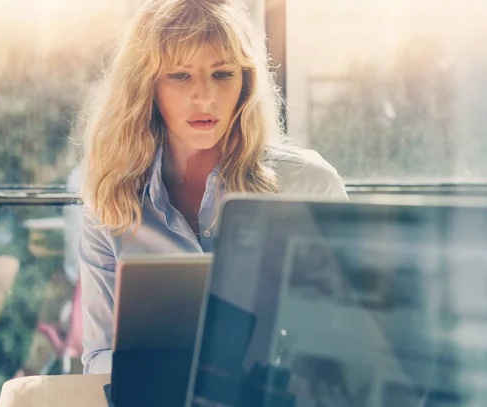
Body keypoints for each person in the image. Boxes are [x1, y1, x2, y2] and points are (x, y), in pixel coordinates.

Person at [78, 0, 348, 375]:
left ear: (245, 83)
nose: (204, 96)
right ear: (146, 87)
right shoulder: (111, 201)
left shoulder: (309, 185)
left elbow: (345, 343)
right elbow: (101, 355)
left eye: (222, 74)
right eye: (179, 75)